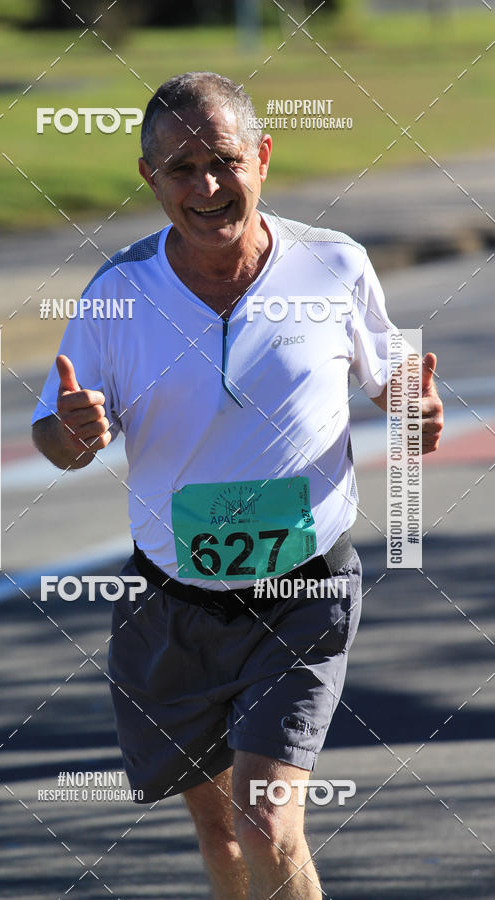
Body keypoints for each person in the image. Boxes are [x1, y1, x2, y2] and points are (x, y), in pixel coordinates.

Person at [32, 72, 443, 900]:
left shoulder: (334, 265)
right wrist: (69, 437)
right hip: (172, 605)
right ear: (150, 179)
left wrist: (415, 410)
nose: (207, 187)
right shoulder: (119, 293)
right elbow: (53, 435)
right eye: (181, 168)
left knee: (264, 822)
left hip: (304, 592)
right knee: (222, 842)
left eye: (223, 160)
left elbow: (392, 380)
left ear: (261, 156)